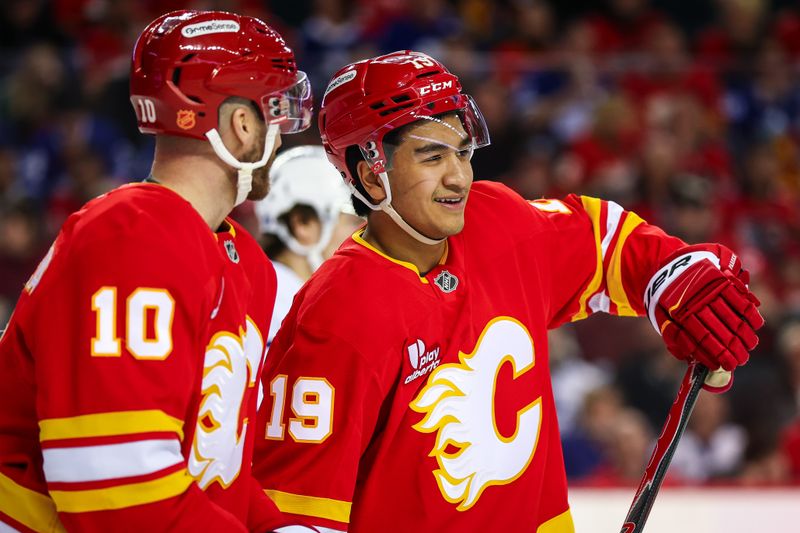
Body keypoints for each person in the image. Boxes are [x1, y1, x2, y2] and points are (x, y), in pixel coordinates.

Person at [251, 50, 764, 532]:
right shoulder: (337, 314)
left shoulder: (497, 220)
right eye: (432, 157)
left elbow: (604, 243)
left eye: (463, 151)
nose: (458, 176)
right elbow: (296, 513)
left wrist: (676, 278)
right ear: (370, 172)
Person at [0, 10, 316, 532]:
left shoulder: (245, 262)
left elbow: (217, 470)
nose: (281, 136)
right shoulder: (130, 239)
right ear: (242, 126)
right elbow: (115, 489)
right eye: (276, 113)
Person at [254, 146, 362, 345]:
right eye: (352, 222)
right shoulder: (270, 303)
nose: (362, 234)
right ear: (303, 224)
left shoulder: (303, 296)